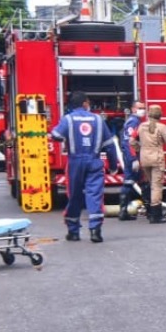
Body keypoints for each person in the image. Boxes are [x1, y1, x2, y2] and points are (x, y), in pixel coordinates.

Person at [49, 90, 113, 243]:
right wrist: (113, 164)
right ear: (85, 103)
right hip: (94, 161)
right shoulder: (98, 119)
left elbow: (56, 135)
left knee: (75, 195)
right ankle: (95, 231)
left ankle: (74, 231)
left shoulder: (68, 119)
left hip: (75, 162)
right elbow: (109, 145)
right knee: (95, 195)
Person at [135, 104, 166, 224]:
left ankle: (149, 211)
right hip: (156, 157)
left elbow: (132, 140)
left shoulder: (141, 126)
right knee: (156, 186)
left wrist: (139, 149)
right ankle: (156, 215)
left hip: (144, 158)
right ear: (160, 115)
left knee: (151, 184)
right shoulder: (162, 127)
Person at [116, 101, 147, 221]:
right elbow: (129, 142)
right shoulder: (133, 121)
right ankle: (123, 211)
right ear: (133, 109)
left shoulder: (135, 121)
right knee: (129, 182)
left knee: (136, 181)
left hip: (131, 155)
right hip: (131, 156)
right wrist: (133, 159)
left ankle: (139, 207)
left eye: (144, 108)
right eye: (140, 108)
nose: (142, 110)